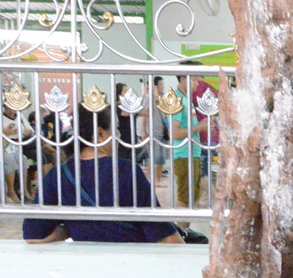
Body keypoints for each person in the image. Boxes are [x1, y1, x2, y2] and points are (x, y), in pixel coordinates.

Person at [22, 104, 183, 243]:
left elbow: (33, 235)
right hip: (130, 263)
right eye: (115, 129)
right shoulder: (126, 171)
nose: (118, 135)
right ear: (100, 134)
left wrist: (70, 228)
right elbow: (165, 237)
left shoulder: (57, 175)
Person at [170, 65, 211, 217]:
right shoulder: (177, 100)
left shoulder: (187, 99)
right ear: (183, 79)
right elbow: (175, 133)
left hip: (192, 153)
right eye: (194, 80)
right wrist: (199, 127)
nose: (197, 84)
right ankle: (181, 230)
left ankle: (185, 230)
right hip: (184, 154)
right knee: (185, 198)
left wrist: (202, 126)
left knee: (192, 197)